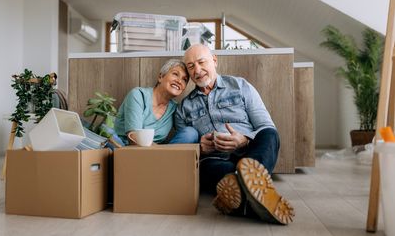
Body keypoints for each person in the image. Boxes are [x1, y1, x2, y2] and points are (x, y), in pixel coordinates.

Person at [174, 44, 295, 225]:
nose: (197, 70)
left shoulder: (240, 85)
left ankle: (241, 198)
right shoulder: (183, 108)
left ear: (214, 61)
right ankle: (260, 197)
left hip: (250, 152)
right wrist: (201, 148)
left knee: (270, 134)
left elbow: (265, 124)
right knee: (208, 170)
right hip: (215, 160)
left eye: (201, 62)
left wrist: (243, 140)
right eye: (191, 66)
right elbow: (184, 153)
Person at [114, 59, 194, 145]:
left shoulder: (175, 109)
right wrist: (159, 152)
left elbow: (186, 134)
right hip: (125, 150)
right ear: (161, 77)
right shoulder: (138, 95)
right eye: (175, 74)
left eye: (184, 79)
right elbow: (134, 138)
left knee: (191, 133)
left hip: (155, 154)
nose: (179, 81)